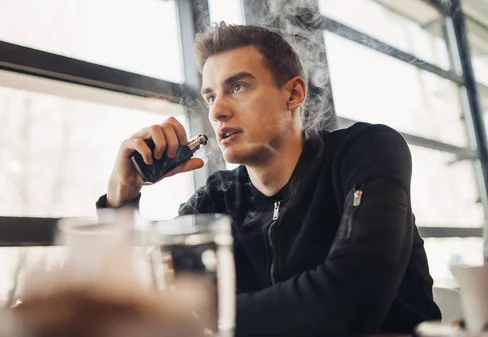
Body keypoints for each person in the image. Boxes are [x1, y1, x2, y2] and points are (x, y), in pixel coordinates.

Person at [97, 23, 441, 336]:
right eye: (211, 96)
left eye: (238, 86)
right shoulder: (219, 198)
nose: (217, 112)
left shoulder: (365, 151)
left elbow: (351, 297)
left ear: (293, 94)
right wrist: (121, 194)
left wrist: (207, 317)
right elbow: (130, 298)